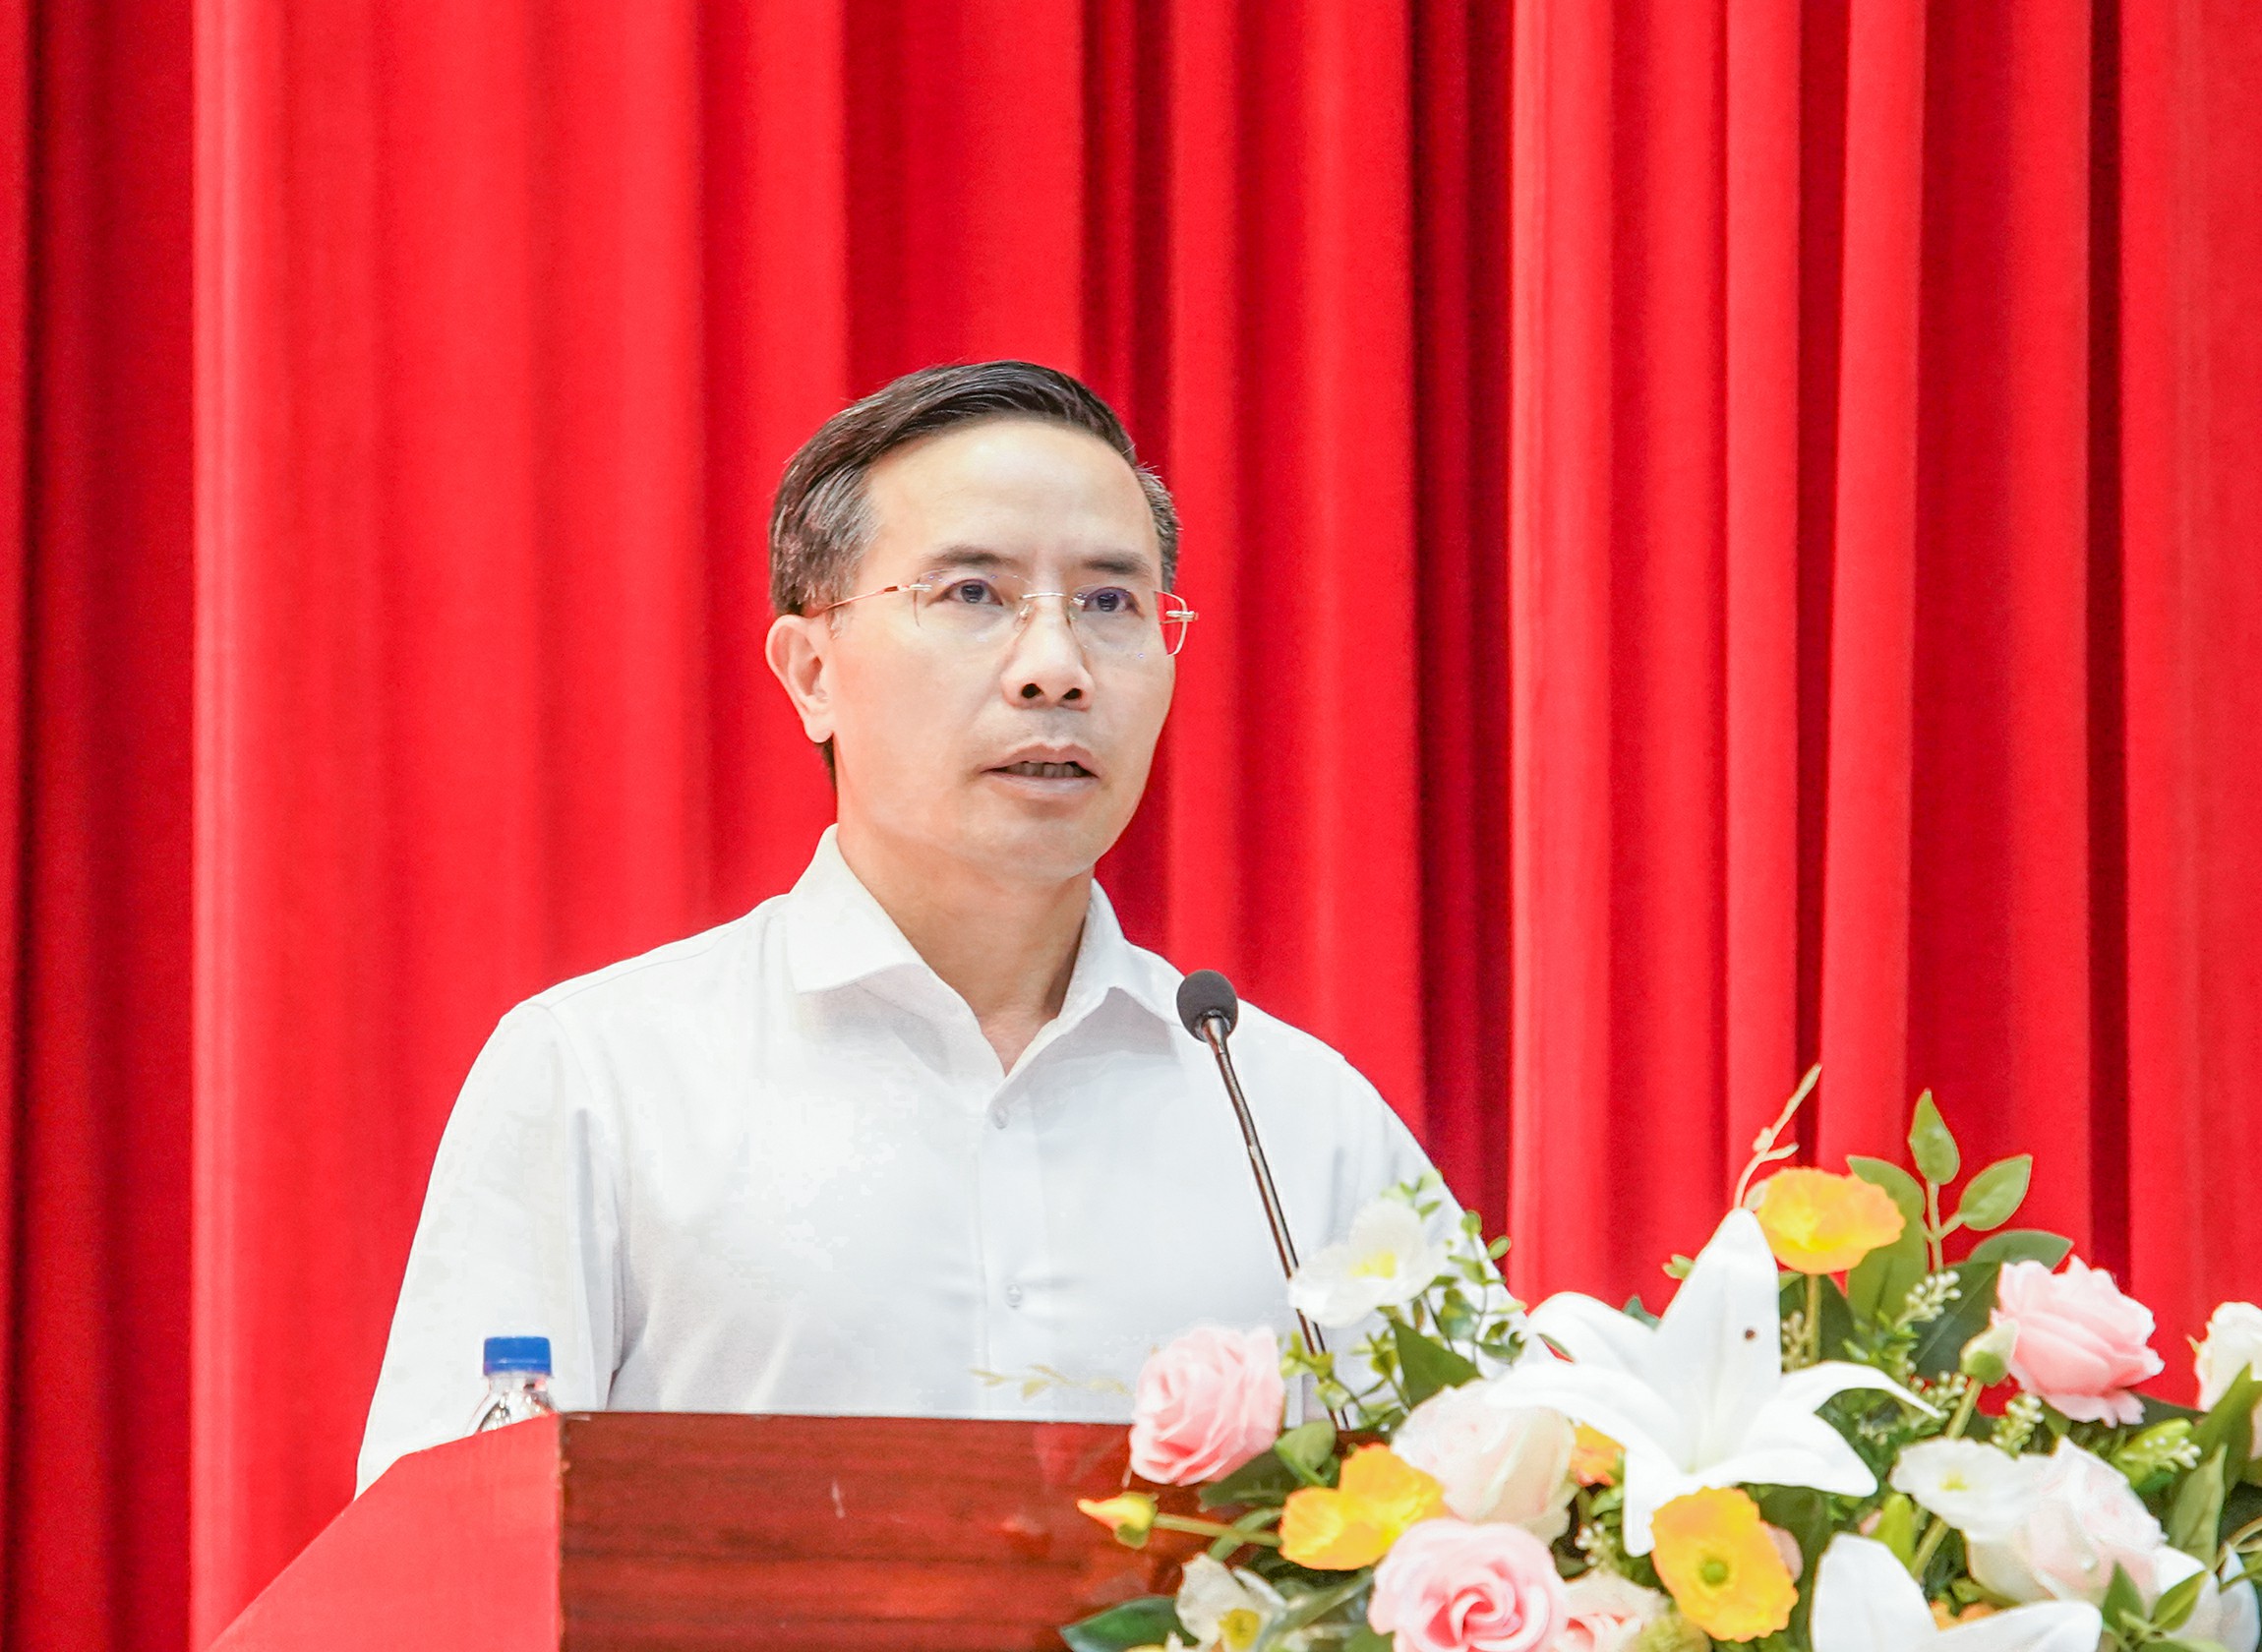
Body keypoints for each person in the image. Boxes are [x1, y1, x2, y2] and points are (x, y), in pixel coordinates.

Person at [356, 361, 1444, 1492]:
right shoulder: (604, 1078)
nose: (1056, 670)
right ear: (812, 673)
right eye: (971, 594)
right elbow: (442, 1554)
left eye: (1110, 604)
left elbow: (1493, 1524)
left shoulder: (1295, 1118)